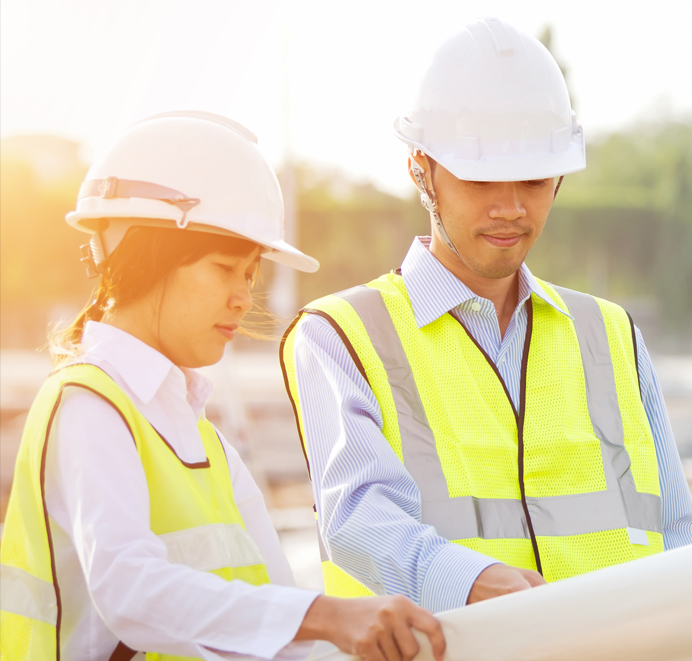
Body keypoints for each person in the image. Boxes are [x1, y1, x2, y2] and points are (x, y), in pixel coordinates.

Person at [280, 17, 692, 612]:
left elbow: (677, 534)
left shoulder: (610, 333)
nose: (510, 206)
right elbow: (357, 520)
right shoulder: (341, 336)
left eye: (532, 179)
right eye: (481, 178)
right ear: (420, 171)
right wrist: (471, 581)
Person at [0, 111, 444, 661]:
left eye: (251, 274)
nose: (243, 298)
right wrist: (329, 616)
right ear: (147, 259)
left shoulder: (201, 439)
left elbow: (283, 634)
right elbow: (130, 591)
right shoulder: (86, 405)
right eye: (223, 268)